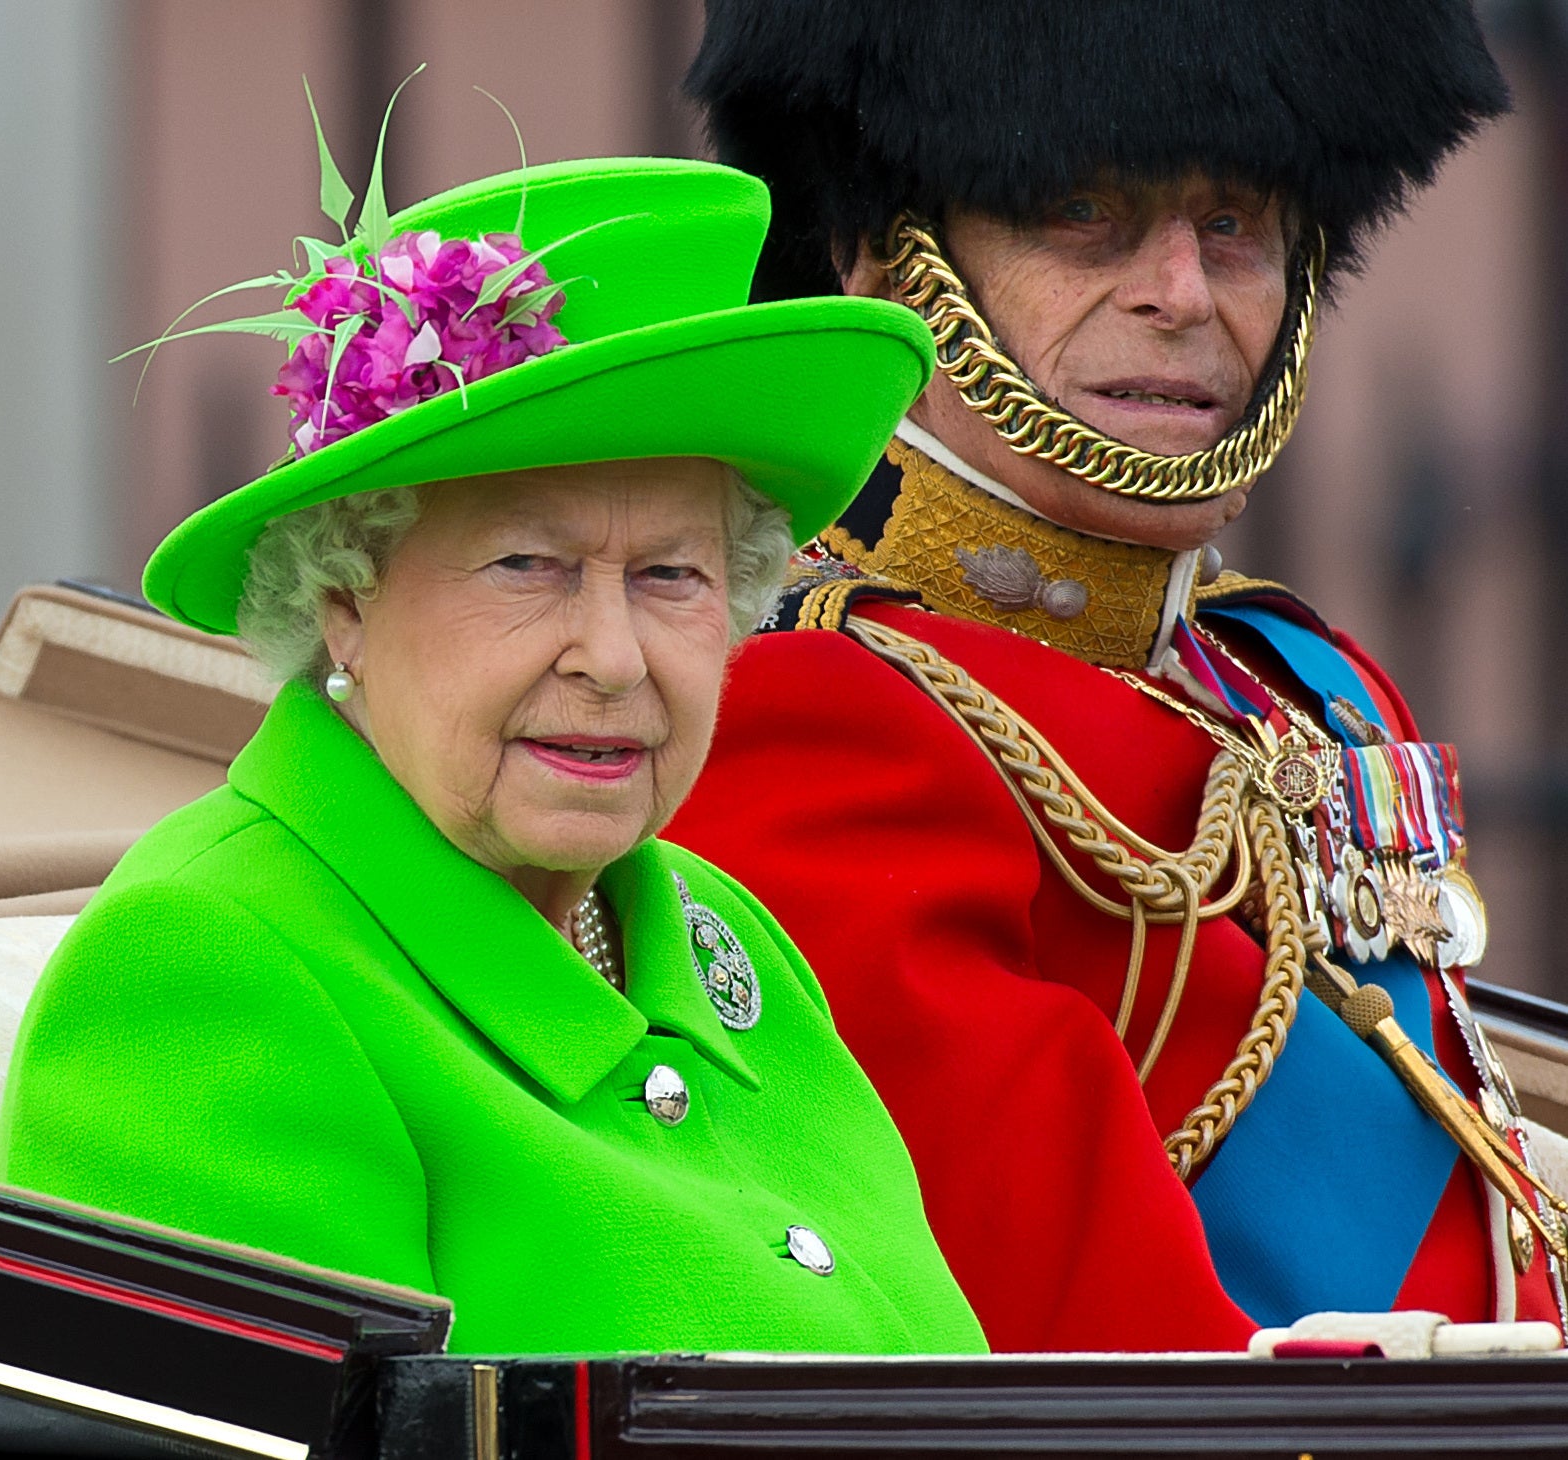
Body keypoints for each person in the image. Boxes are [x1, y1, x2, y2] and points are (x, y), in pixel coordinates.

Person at [667, 0, 1556, 1352]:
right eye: (1081, 211)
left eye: (1234, 225)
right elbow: (1072, 1340)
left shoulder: (1295, 677)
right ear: (883, 258)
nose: (1182, 295)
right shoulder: (822, 706)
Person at [0, 154, 987, 1357]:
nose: (614, 657)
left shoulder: (718, 928)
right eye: (528, 565)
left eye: (671, 573)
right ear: (344, 596)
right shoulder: (205, 967)